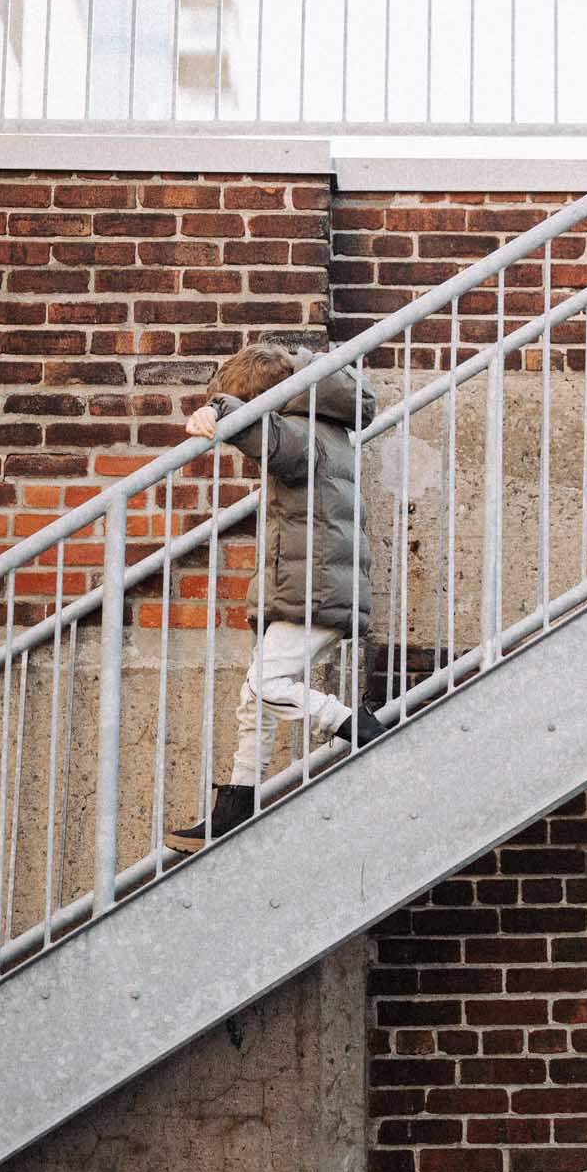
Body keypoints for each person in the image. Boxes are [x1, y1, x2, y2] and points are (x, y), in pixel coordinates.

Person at [165, 341, 388, 853]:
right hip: (310, 588)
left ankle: (353, 723)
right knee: (255, 697)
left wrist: (218, 410)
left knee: (268, 685)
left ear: (270, 401)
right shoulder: (324, 428)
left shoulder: (303, 434)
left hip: (315, 591)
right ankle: (236, 806)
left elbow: (263, 435)